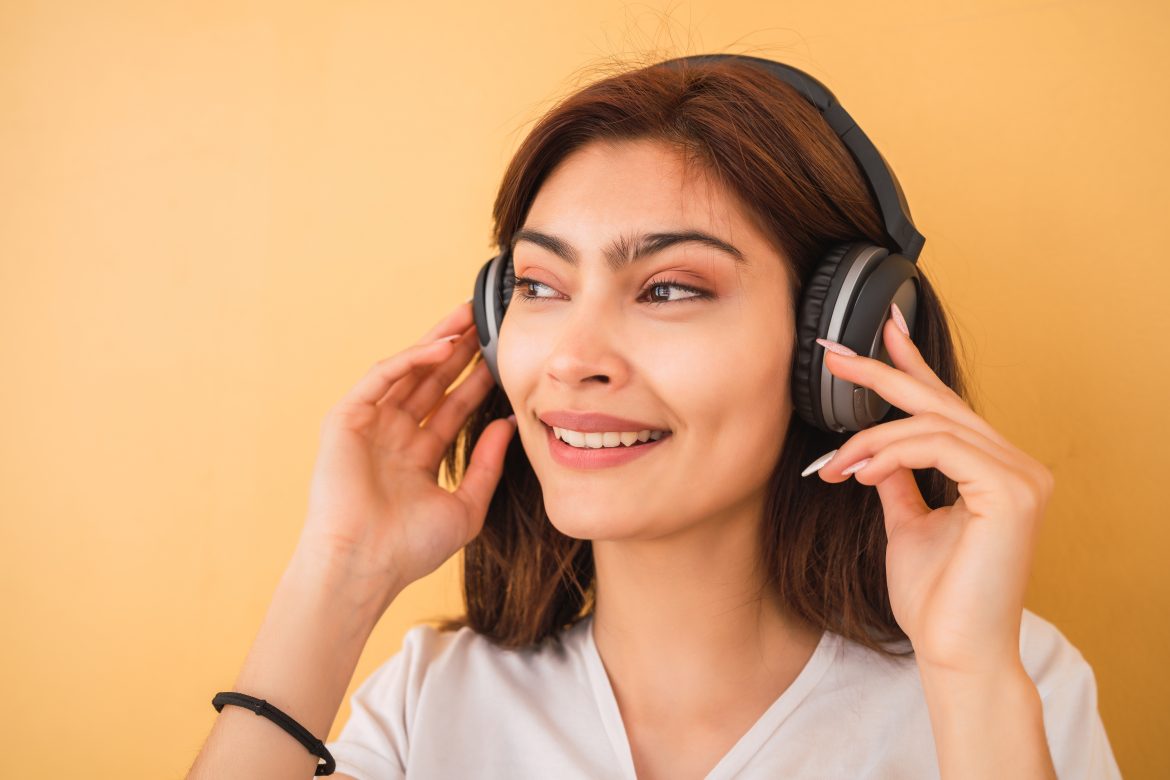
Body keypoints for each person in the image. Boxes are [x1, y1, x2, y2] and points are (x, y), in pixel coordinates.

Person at [187, 55, 1121, 779]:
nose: (572, 358)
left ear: (837, 342)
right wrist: (338, 574)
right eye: (540, 285)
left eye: (669, 288)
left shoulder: (1004, 681)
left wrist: (969, 683)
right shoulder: (432, 701)